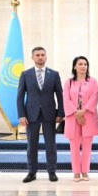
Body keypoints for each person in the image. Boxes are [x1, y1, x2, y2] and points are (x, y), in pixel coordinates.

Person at [16, 46, 64, 183]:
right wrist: (21, 115)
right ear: (32, 57)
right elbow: (20, 96)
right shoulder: (25, 74)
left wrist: (60, 113)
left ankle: (52, 171)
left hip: (50, 114)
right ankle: (32, 172)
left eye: (42, 55)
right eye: (37, 55)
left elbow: (60, 95)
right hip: (31, 115)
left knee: (51, 144)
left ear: (46, 56)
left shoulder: (54, 74)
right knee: (32, 145)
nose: (40, 57)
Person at [63, 56, 98, 182]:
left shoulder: (92, 81)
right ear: (75, 67)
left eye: (85, 64)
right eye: (80, 64)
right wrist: (76, 114)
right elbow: (66, 99)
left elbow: (94, 97)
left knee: (87, 146)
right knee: (74, 146)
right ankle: (76, 172)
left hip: (88, 116)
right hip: (73, 117)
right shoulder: (69, 82)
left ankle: (85, 171)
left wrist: (83, 112)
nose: (83, 66)